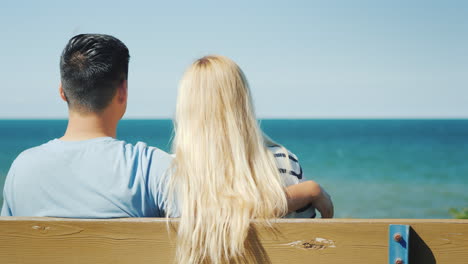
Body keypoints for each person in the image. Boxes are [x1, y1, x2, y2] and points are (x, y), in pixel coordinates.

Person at [1, 34, 330, 219]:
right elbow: (220, 219)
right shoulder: (148, 168)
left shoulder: (20, 169)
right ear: (123, 92)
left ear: (62, 92)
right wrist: (307, 192)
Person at [163, 55, 333, 264]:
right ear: (242, 101)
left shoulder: (168, 174)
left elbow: (218, 212)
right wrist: (308, 191)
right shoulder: (284, 162)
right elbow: (307, 249)